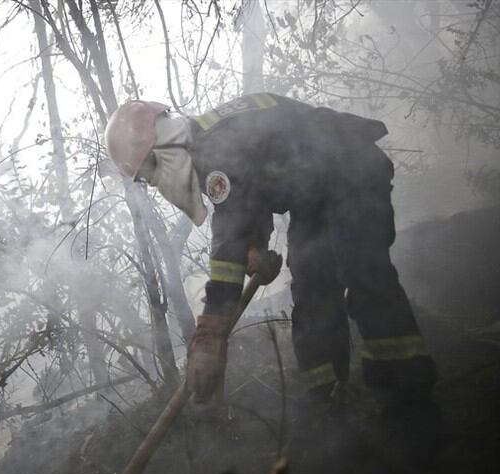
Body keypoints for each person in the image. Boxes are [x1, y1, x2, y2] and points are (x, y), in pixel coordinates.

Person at [104, 94, 437, 411]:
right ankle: (325, 394)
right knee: (310, 283)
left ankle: (406, 392)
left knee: (363, 273)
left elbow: (229, 230)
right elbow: (252, 194)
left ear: (161, 149)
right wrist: (254, 249)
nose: (150, 183)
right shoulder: (213, 136)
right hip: (316, 195)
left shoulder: (212, 148)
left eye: (146, 173)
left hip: (353, 175)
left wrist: (211, 331)